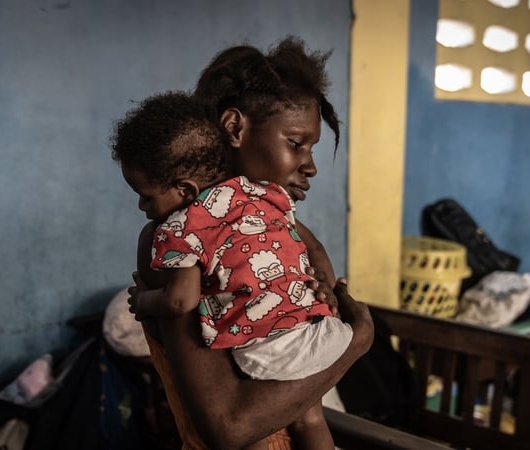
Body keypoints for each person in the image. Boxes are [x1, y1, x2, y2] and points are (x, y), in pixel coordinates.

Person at [121, 37, 374, 450]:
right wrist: (357, 341)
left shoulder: (267, 226)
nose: (310, 165)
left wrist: (325, 294)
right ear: (235, 127)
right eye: (295, 143)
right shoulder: (173, 238)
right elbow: (229, 428)